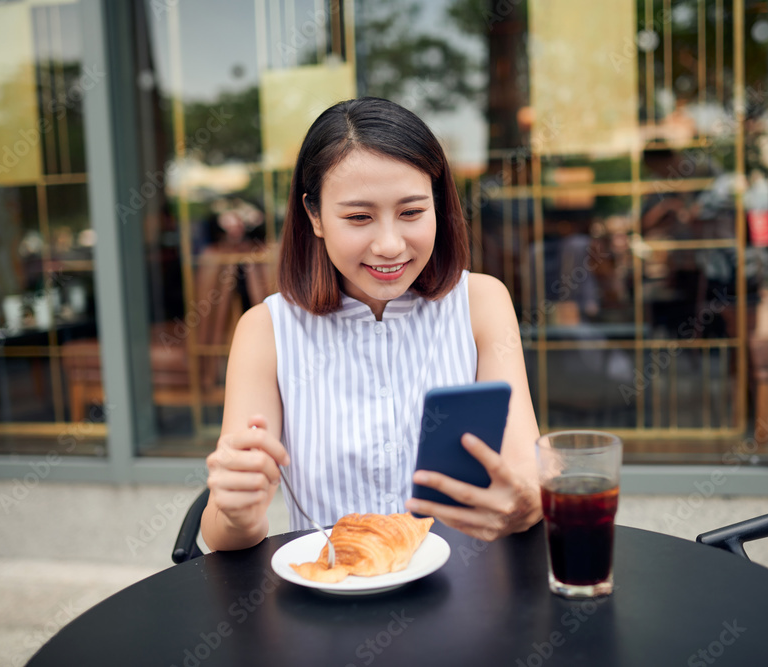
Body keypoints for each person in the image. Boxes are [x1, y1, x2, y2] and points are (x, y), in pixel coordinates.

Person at [201, 98, 542, 552]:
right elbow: (221, 536)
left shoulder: (481, 303)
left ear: (438, 206)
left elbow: (528, 478)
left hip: (463, 591)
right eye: (359, 217)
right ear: (315, 216)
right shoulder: (267, 330)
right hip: (331, 595)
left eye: (412, 212)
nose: (389, 244)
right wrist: (237, 512)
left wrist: (526, 502)